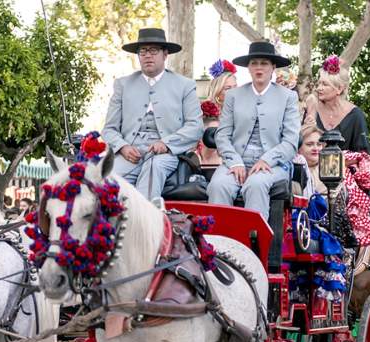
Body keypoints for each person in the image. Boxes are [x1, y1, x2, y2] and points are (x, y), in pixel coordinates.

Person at [101, 28, 203, 201]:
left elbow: (196, 127)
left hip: (166, 154)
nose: (147, 55)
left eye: (153, 51)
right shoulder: (123, 85)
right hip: (129, 154)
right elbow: (109, 129)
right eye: (143, 51)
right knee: (106, 181)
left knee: (153, 170)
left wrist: (166, 143)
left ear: (165, 54)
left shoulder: (184, 85)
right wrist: (123, 147)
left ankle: (143, 223)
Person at [208, 41, 300, 219]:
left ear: (273, 67)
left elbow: (290, 141)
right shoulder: (234, 95)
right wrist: (234, 161)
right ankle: (219, 243)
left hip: (273, 164)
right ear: (248, 68)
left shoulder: (288, 97)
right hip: (236, 161)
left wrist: (267, 160)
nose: (259, 68)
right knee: (218, 185)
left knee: (255, 185)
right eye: (254, 63)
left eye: (264, 63)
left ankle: (255, 244)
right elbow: (222, 135)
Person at [302, 54, 369, 152]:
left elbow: (362, 154)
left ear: (339, 89)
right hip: (314, 166)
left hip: (346, 166)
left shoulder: (356, 115)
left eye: (324, 84)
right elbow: (302, 145)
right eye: (319, 83)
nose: (319, 88)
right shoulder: (312, 108)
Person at [195, 59, 238, 168]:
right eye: (228, 88)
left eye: (235, 87)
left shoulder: (241, 109)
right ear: (218, 91)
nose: (234, 92)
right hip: (211, 160)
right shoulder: (207, 111)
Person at [293, 124, 327, 197]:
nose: (315, 148)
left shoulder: (329, 170)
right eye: (309, 144)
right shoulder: (291, 169)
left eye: (319, 144)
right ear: (298, 146)